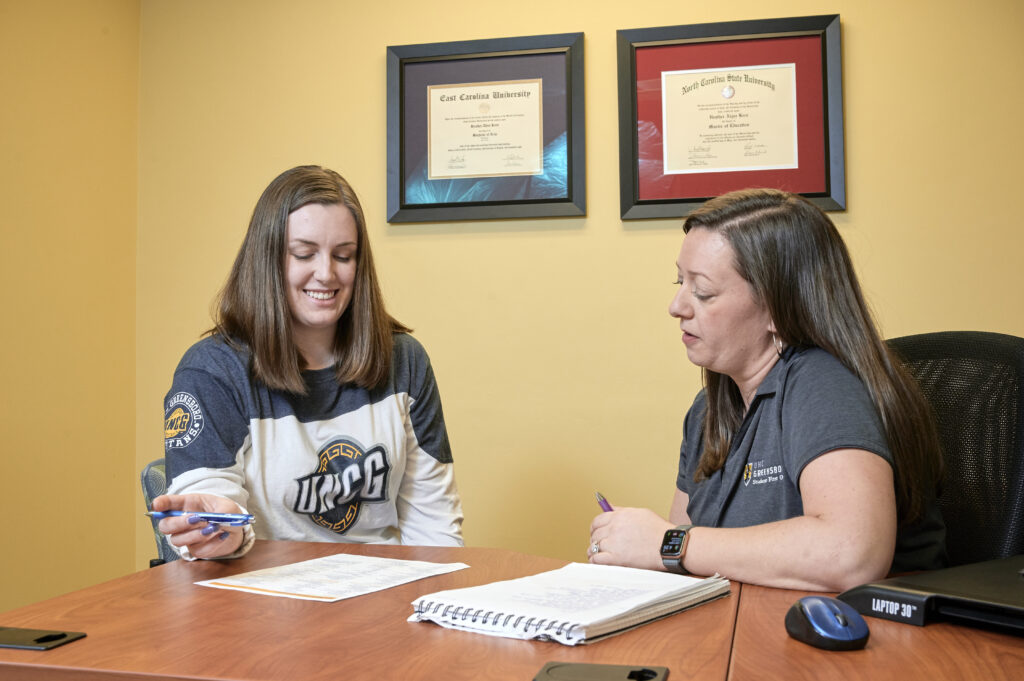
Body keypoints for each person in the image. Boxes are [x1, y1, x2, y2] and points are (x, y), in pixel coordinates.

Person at [588, 188, 945, 591]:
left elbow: (851, 554)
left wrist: (665, 543)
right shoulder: (710, 407)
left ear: (777, 308)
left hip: (866, 641)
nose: (677, 306)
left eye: (702, 291)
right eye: (679, 281)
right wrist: (638, 550)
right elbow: (686, 550)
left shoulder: (825, 384)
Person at [152, 165, 463, 560]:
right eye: (304, 253)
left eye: (344, 256)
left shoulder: (404, 360)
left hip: (380, 601)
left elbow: (434, 527)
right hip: (261, 602)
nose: (326, 273)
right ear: (268, 260)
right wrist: (221, 530)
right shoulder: (213, 371)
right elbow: (208, 506)